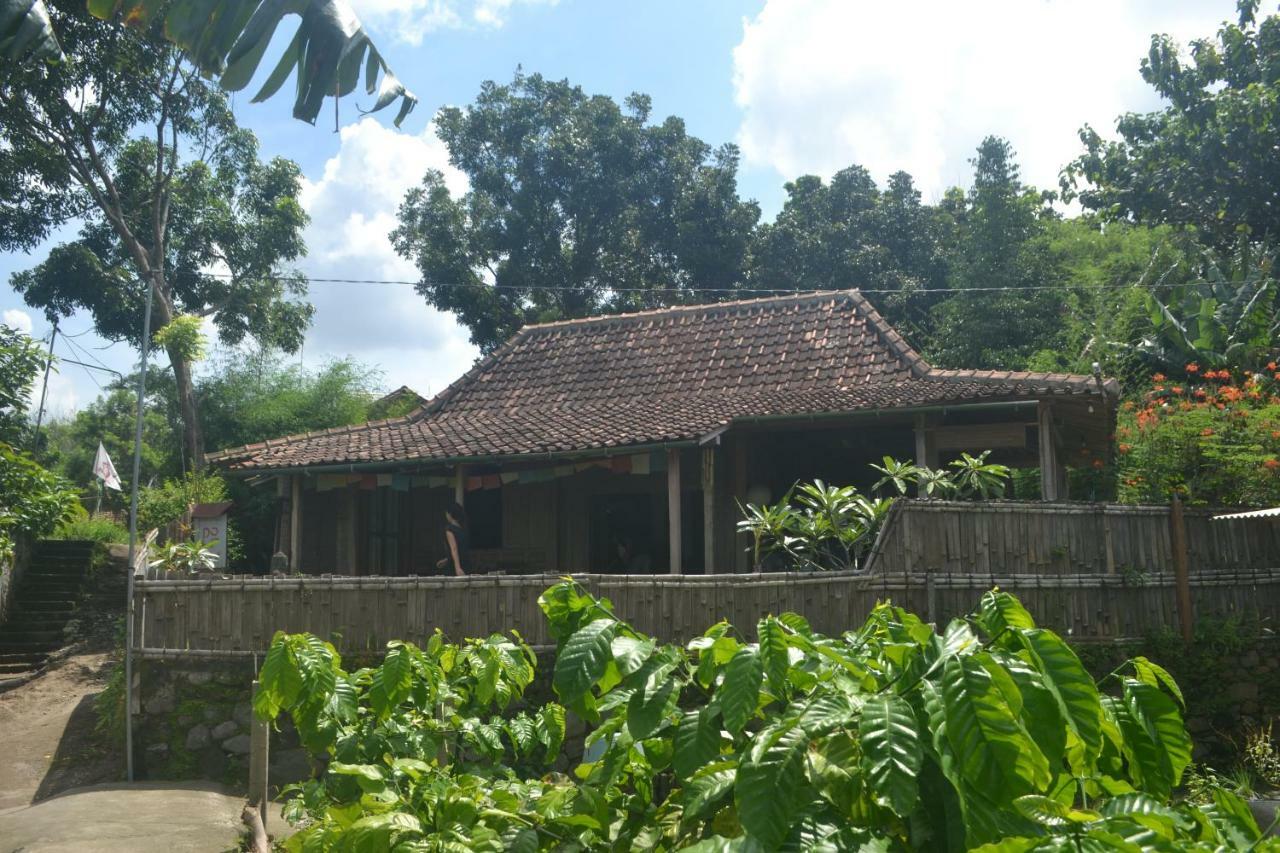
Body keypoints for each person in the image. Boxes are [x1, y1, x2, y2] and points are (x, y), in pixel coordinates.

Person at [436, 501, 471, 576]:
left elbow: (454, 548)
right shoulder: (463, 530)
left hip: (454, 566)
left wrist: (457, 568)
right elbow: (460, 549)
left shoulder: (449, 530)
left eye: (446, 513)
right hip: (466, 563)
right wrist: (447, 559)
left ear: (450, 514)